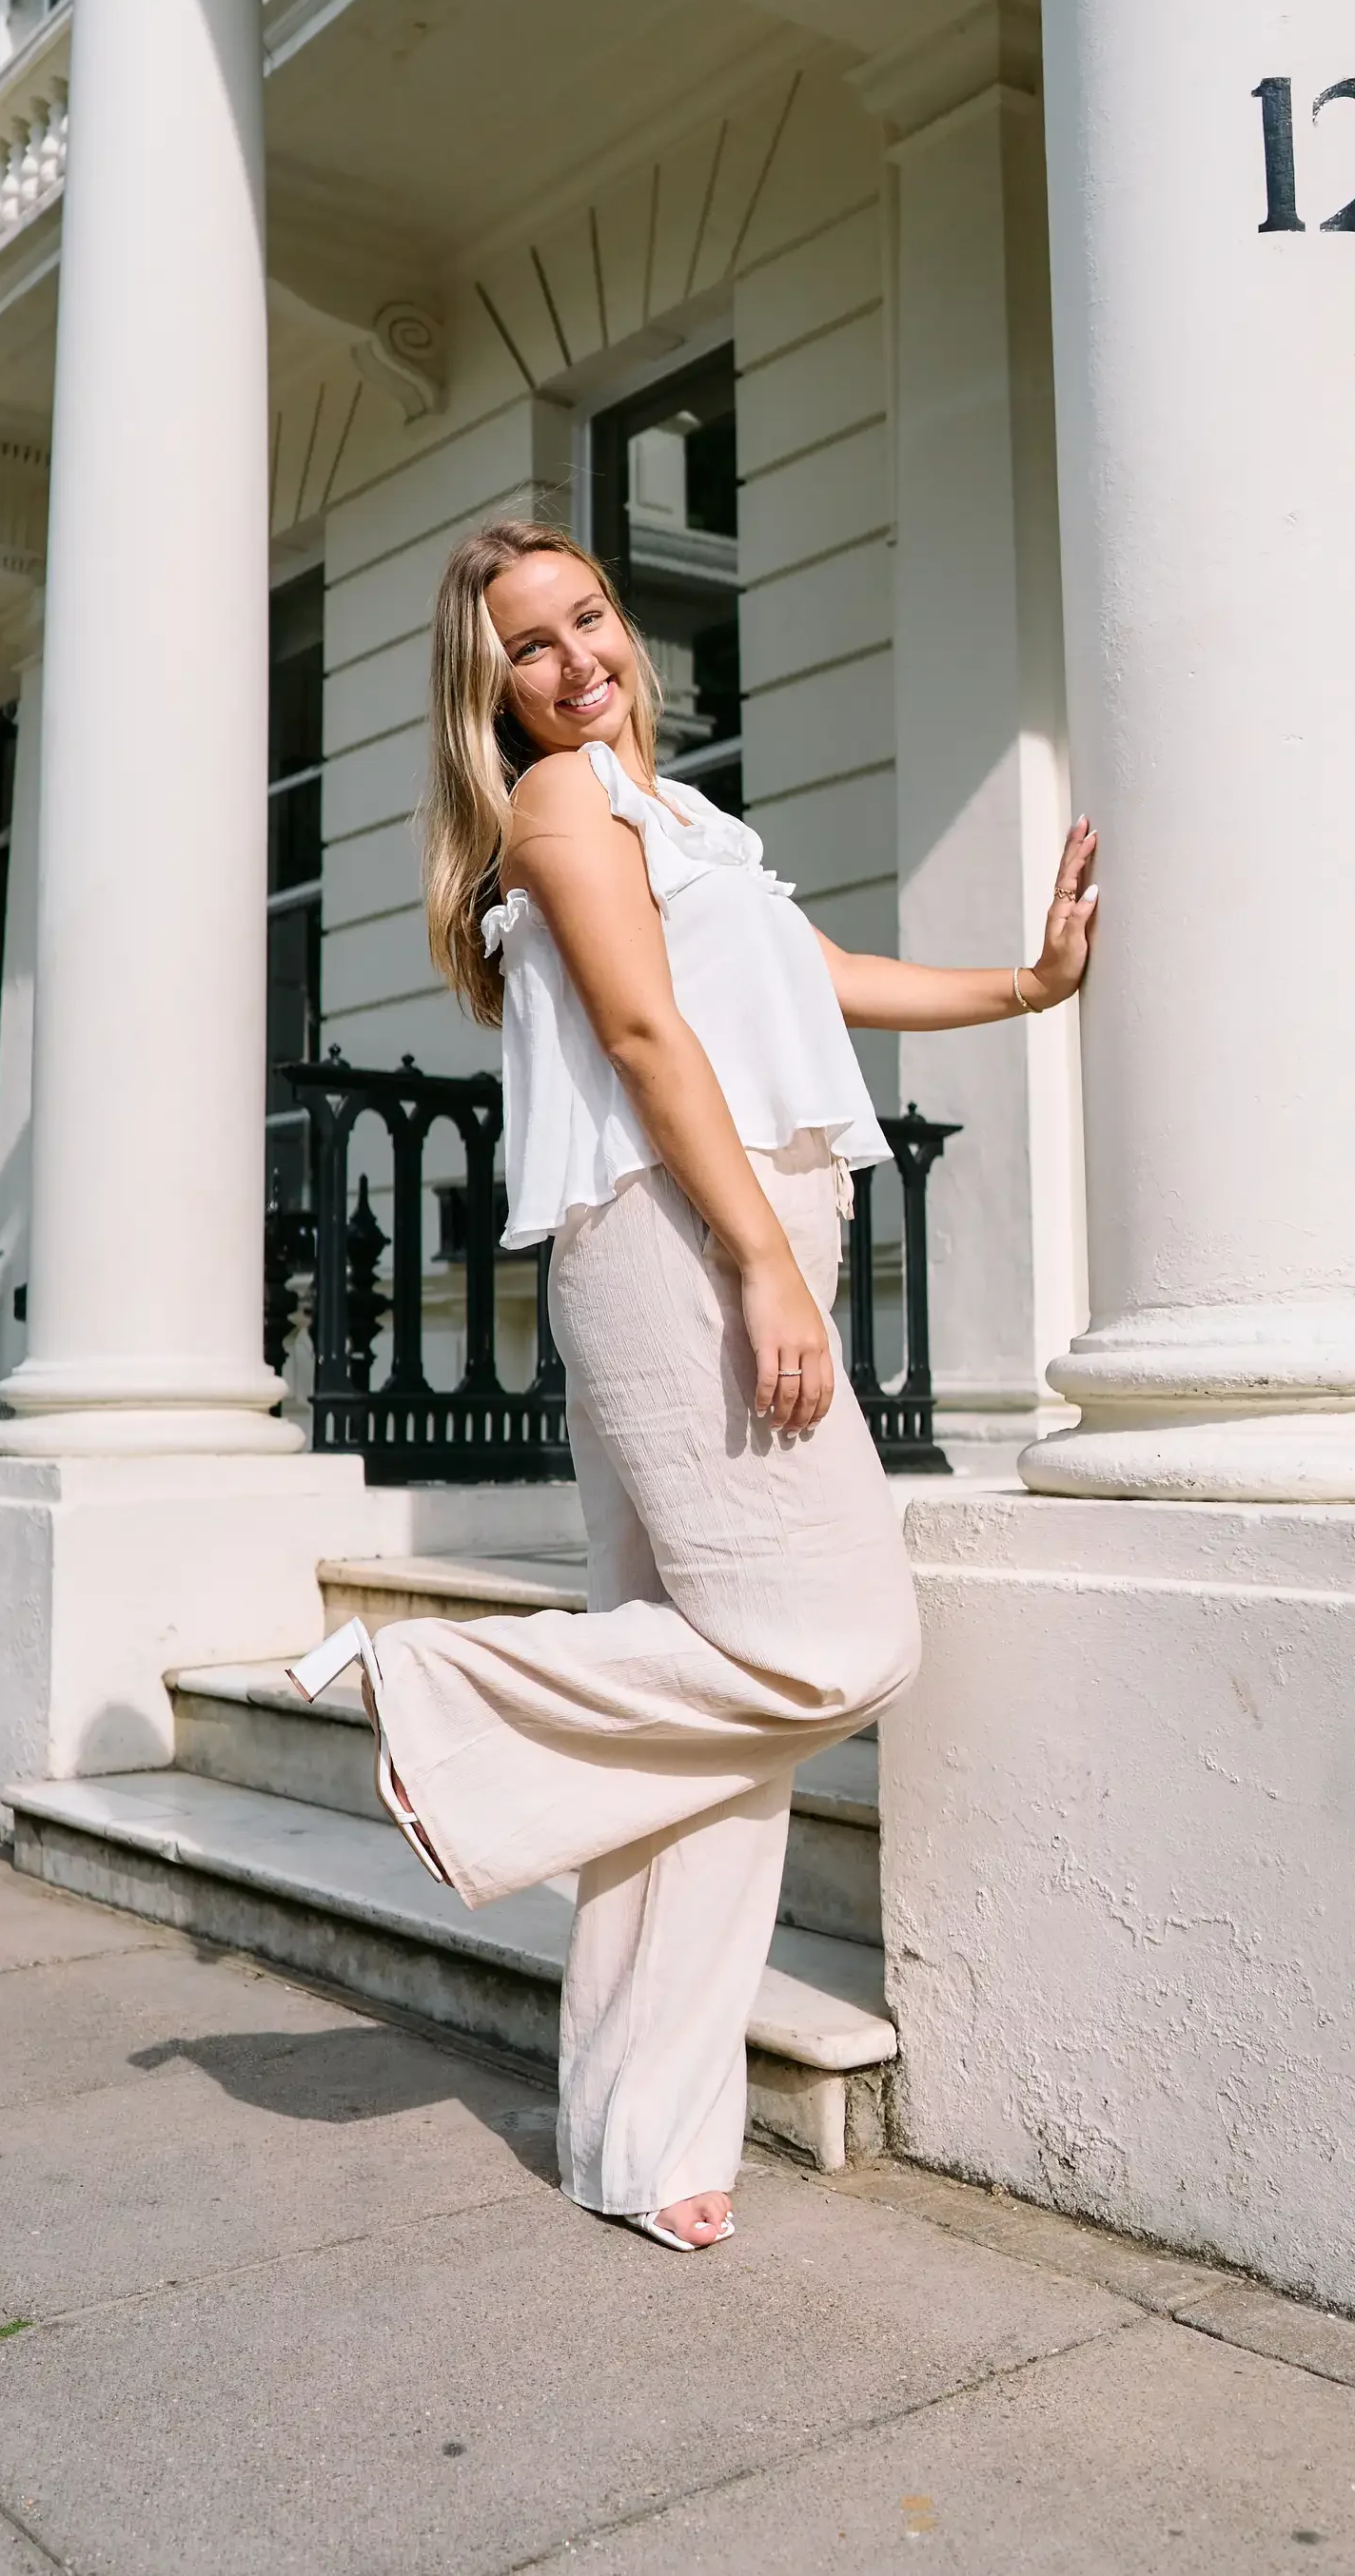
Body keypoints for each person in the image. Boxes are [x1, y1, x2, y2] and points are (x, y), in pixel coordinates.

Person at [291, 515, 1097, 2251]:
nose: (579, 659)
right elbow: (652, 1040)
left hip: (694, 1241)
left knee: (711, 1758)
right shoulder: (564, 806)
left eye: (589, 619)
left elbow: (825, 985)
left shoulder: (681, 819)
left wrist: (1027, 986)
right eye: (532, 645)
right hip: (674, 1247)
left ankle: (634, 2139)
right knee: (837, 1641)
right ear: (489, 689)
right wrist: (759, 1265)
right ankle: (435, 1690)